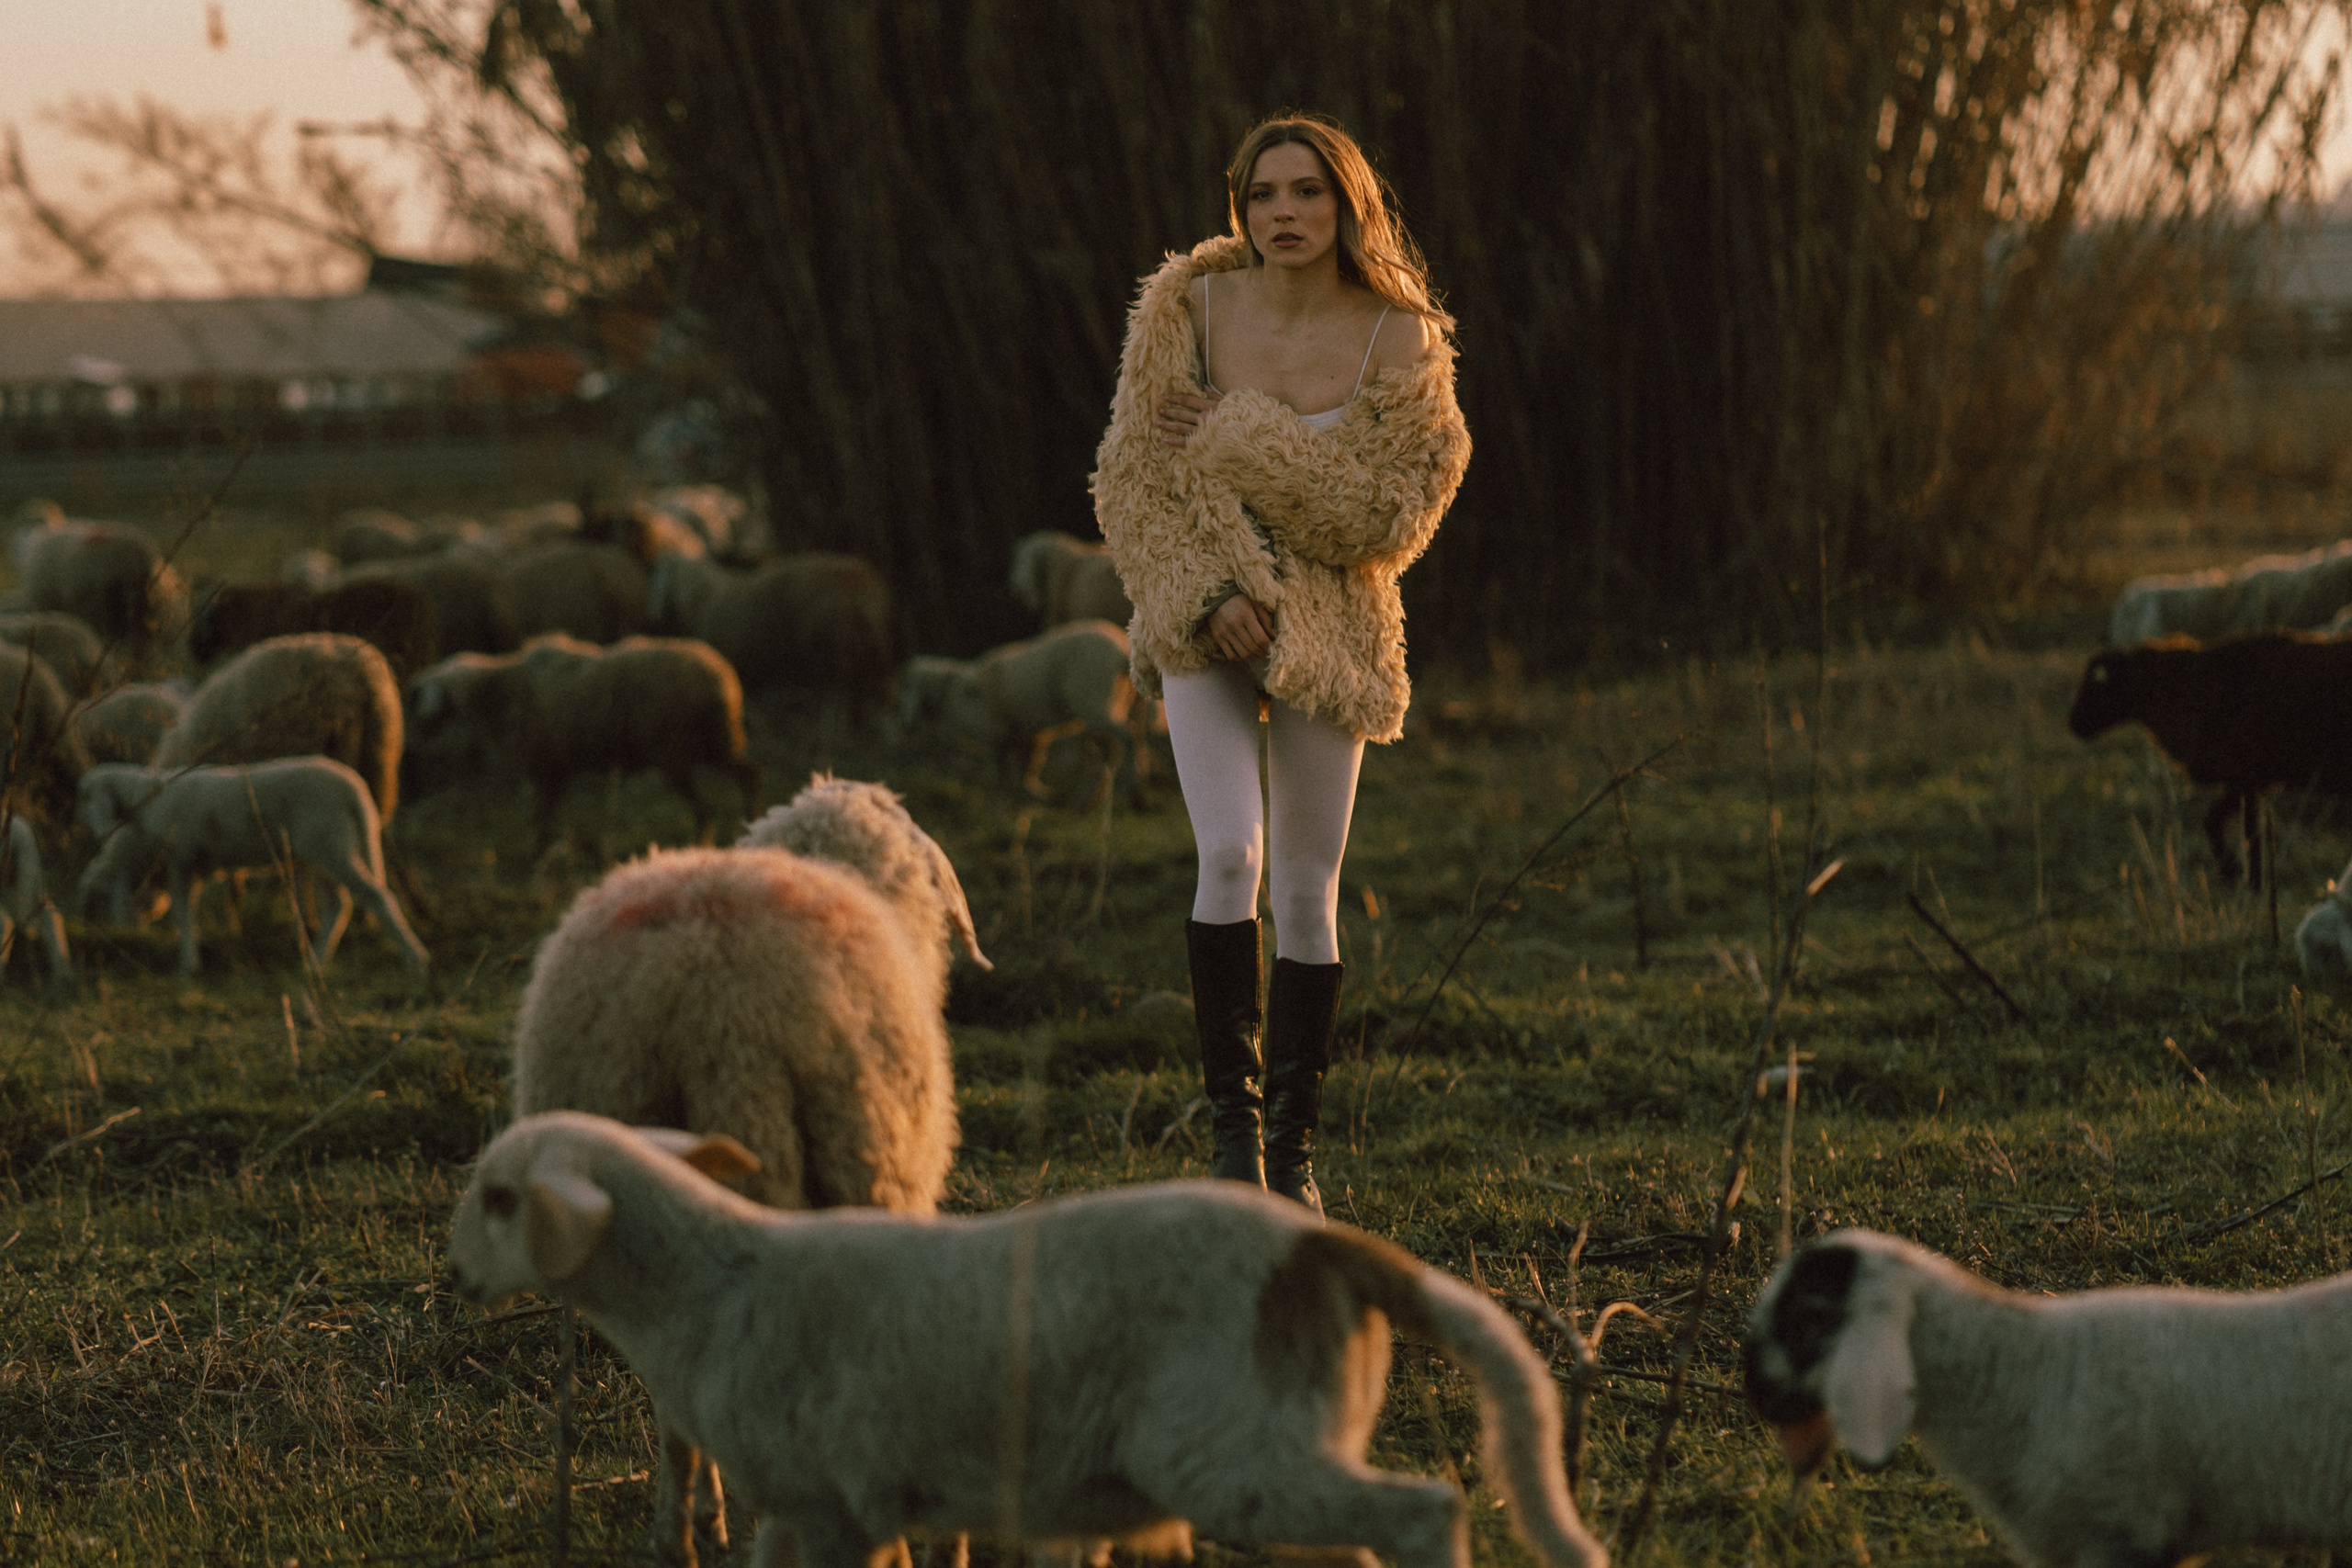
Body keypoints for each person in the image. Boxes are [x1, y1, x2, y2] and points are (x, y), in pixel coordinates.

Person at [1091, 115, 1471, 1214]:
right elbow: (1131, 482)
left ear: (1346, 204)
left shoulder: (1399, 339)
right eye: (1264, 194)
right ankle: (1232, 1141)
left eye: (1308, 192)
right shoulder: (1187, 308)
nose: (1285, 214)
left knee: (1307, 891)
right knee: (1227, 857)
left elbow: (1382, 517)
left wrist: (1236, 436)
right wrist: (1210, 599)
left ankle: (1293, 1161)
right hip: (1199, 615)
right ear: (1239, 206)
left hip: (1336, 634)